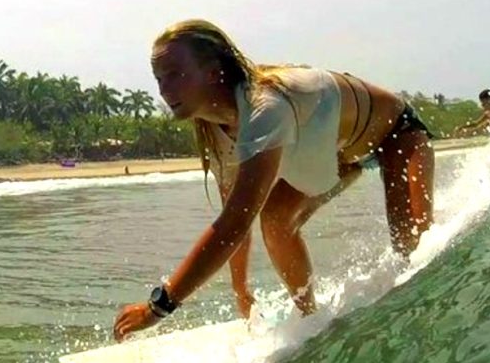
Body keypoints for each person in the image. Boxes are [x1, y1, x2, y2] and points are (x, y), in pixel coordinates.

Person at [112, 19, 435, 342]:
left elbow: (233, 224)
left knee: (413, 252)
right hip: (340, 156)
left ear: (211, 72)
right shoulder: (213, 126)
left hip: (396, 135)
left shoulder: (264, 108)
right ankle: (311, 318)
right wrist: (242, 294)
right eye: (159, 78)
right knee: (277, 219)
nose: (164, 90)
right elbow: (232, 218)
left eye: (175, 75)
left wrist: (159, 307)